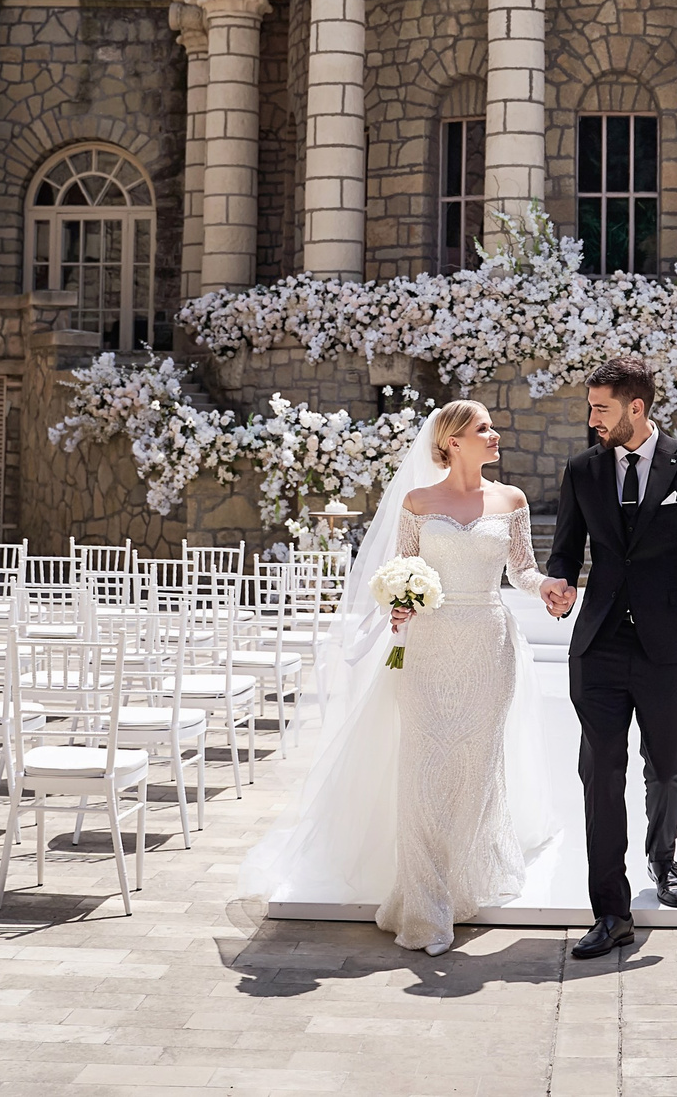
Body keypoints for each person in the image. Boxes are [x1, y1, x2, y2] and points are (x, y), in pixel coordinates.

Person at [237, 402, 559, 958]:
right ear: (452, 441)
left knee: (477, 769)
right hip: (429, 650)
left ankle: (462, 884)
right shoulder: (417, 502)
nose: (495, 433)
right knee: (422, 774)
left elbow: (521, 569)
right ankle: (424, 907)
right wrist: (401, 606)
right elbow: (402, 572)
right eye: (483, 428)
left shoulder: (511, 500)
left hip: (488, 645)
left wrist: (547, 585)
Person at [540, 355, 677, 959]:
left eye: (601, 408)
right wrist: (559, 582)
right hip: (598, 646)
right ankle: (611, 912)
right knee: (600, 772)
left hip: (671, 648)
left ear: (636, 407)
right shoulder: (582, 470)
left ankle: (664, 857)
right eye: (590, 407)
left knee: (666, 765)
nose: (591, 418)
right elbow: (566, 548)